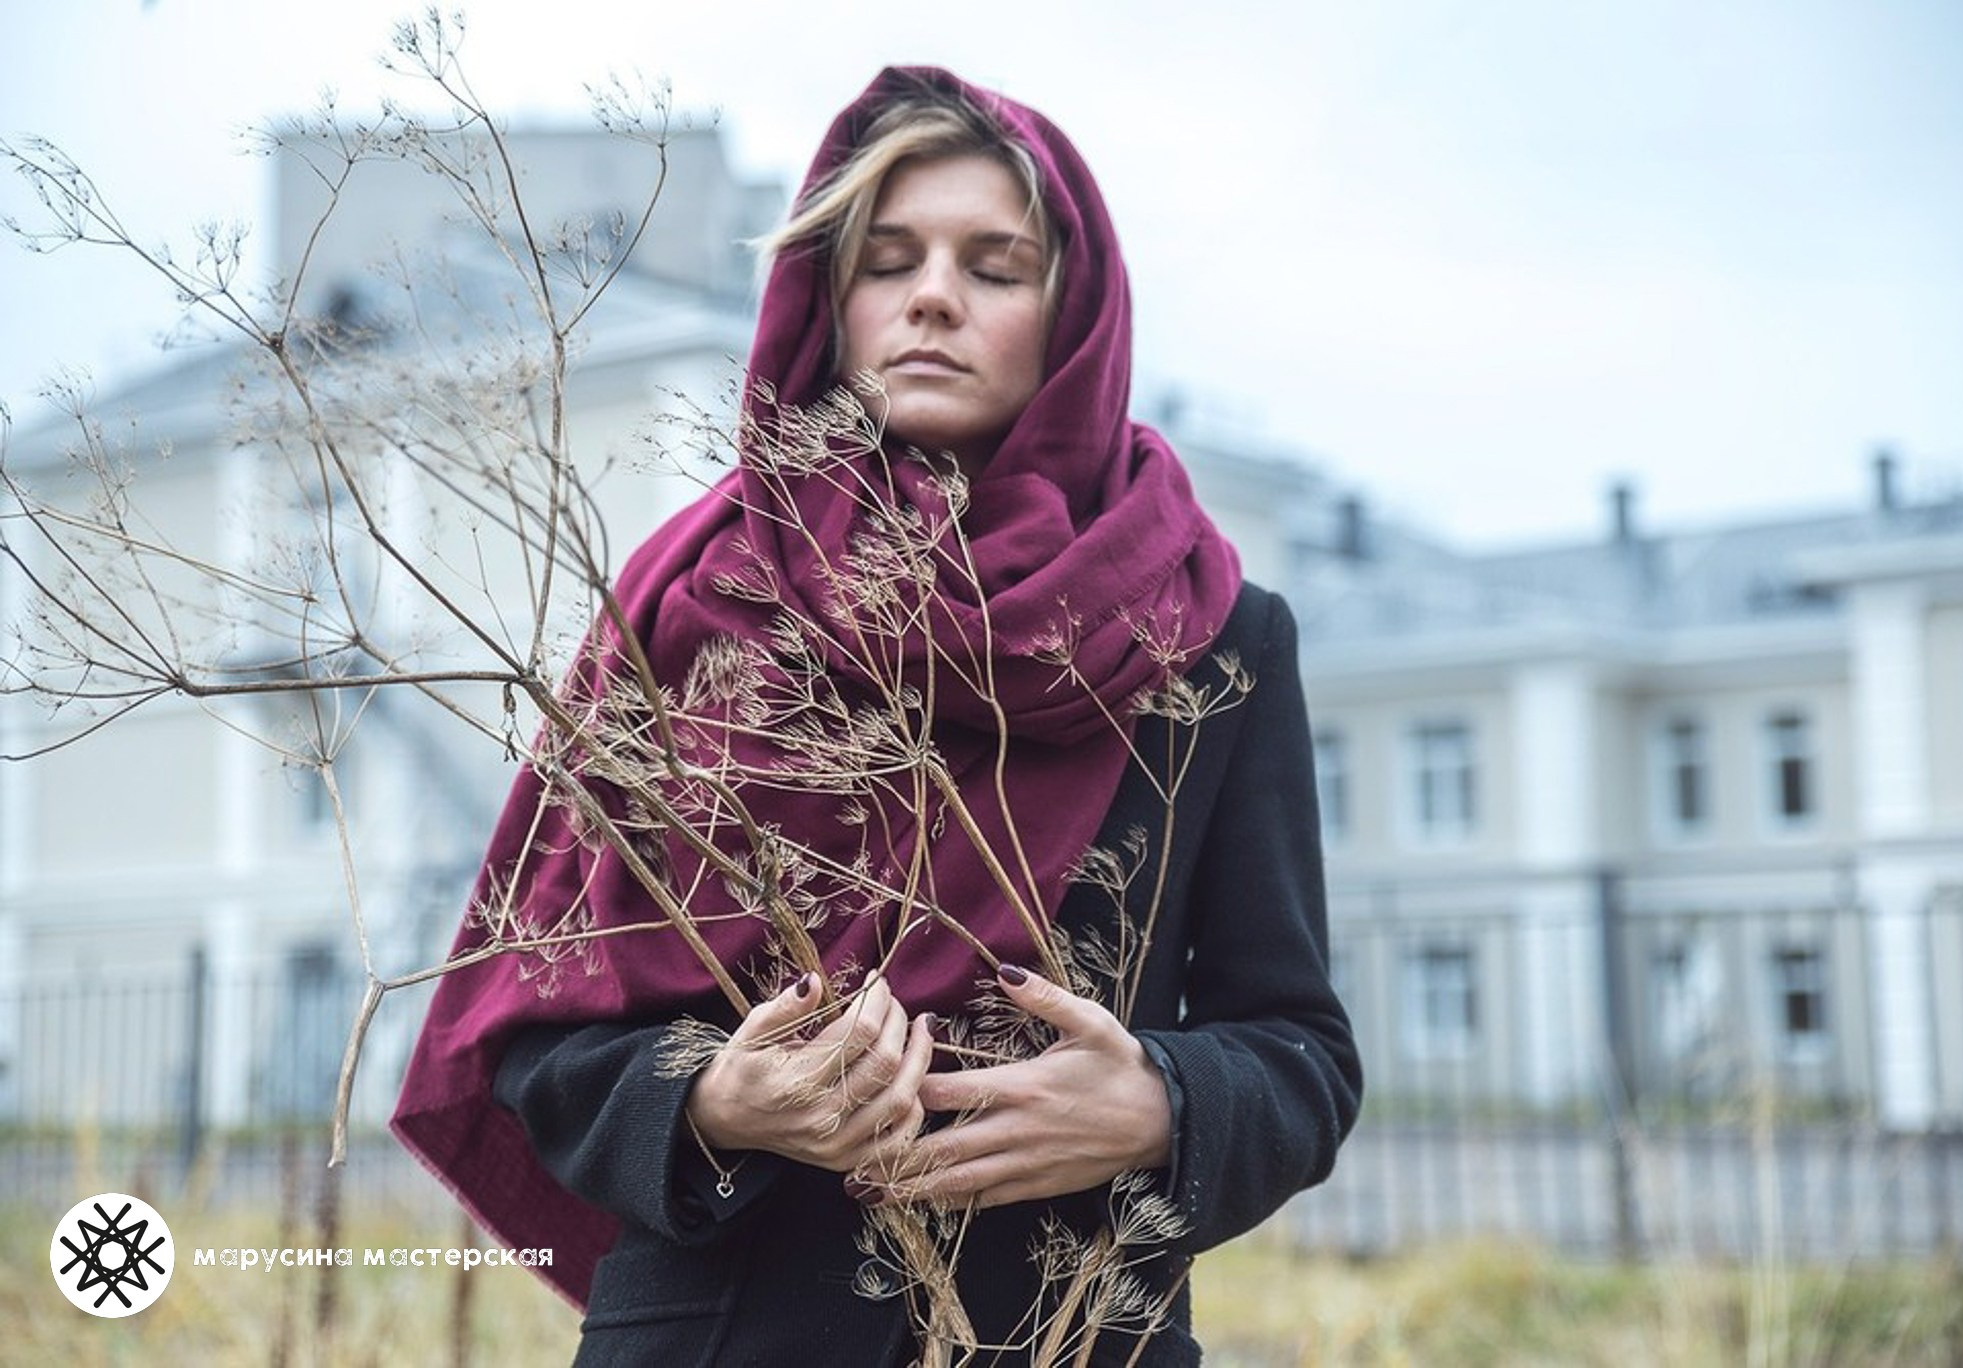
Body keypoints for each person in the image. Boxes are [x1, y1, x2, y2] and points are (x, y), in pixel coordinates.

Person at [392, 66, 1360, 1365]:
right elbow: (535, 1030)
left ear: (1074, 314)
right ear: (827, 304)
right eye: (886, 260)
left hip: (1066, 1337)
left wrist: (1161, 1104)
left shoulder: (1206, 632)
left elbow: (1300, 1054)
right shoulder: (690, 607)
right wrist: (713, 1100)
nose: (934, 297)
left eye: (996, 266)